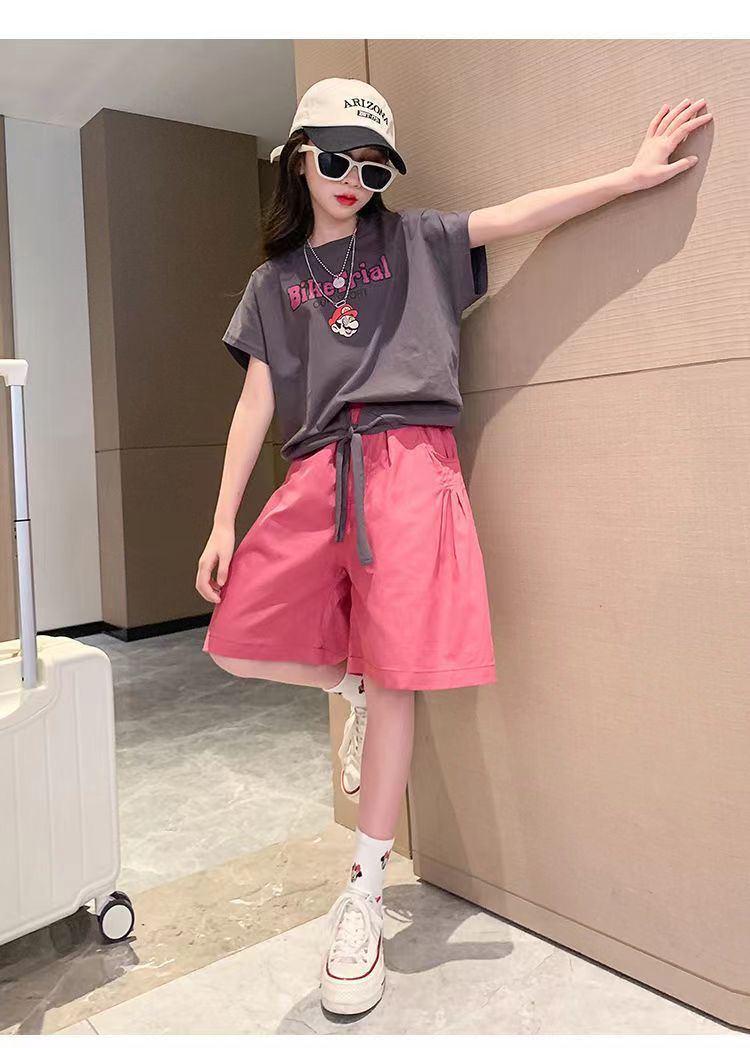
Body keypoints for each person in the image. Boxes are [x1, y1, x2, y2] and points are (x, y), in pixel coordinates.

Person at [195, 77, 712, 1017]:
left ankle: (364, 892)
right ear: (299, 157)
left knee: (401, 681)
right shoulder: (272, 284)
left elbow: (519, 215)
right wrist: (225, 516)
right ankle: (351, 678)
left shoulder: (416, 240)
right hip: (317, 470)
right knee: (236, 638)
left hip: (409, 462)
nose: (354, 180)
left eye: (374, 167)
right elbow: (256, 399)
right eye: (337, 159)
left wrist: (629, 176)